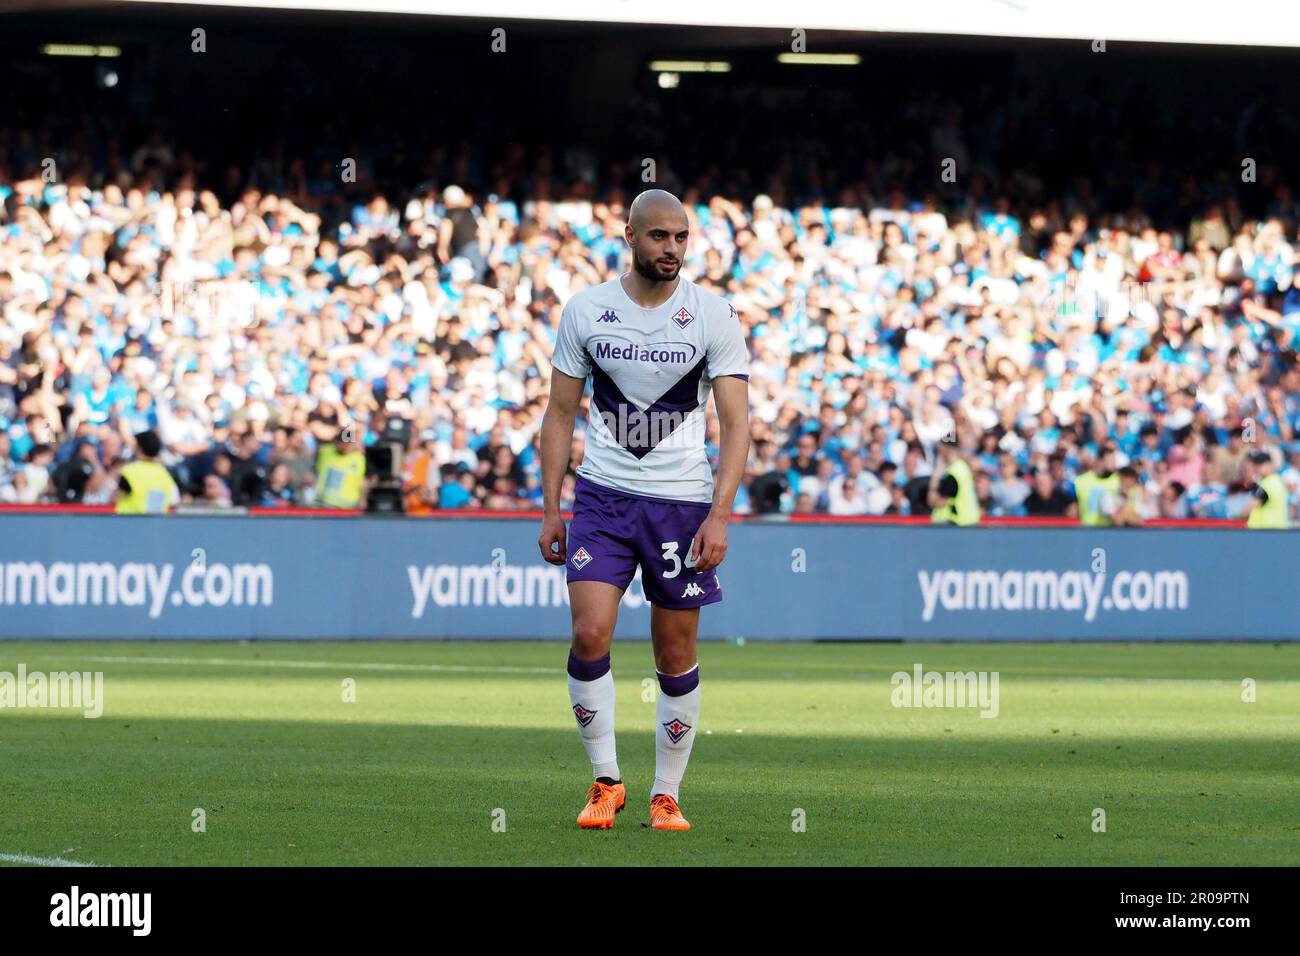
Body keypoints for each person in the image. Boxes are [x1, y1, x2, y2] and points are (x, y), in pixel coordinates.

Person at [537, 189, 750, 833]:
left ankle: (667, 793)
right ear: (629, 236)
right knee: (589, 633)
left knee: (674, 652)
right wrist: (551, 507)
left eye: (681, 238)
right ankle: (606, 781)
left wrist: (721, 512)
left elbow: (737, 424)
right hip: (601, 496)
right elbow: (559, 413)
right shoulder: (587, 310)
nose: (673, 250)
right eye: (659, 237)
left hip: (681, 503)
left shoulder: (712, 315)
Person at [115, 430, 180, 514]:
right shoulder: (165, 473)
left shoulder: (130, 470)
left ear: (139, 448)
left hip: (129, 523)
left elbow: (115, 498)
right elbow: (174, 501)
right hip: (156, 524)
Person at [927, 436, 980, 526]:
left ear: (945, 448)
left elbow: (935, 502)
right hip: (967, 523)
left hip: (955, 525)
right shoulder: (963, 468)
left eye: (940, 447)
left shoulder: (953, 474)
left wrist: (935, 478)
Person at [1241, 449, 1290, 528]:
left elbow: (1251, 506)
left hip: (1267, 531)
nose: (1257, 467)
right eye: (1256, 464)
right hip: (1275, 531)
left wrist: (1233, 516)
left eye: (1261, 464)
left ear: (1270, 464)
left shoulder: (1268, 483)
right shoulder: (1277, 480)